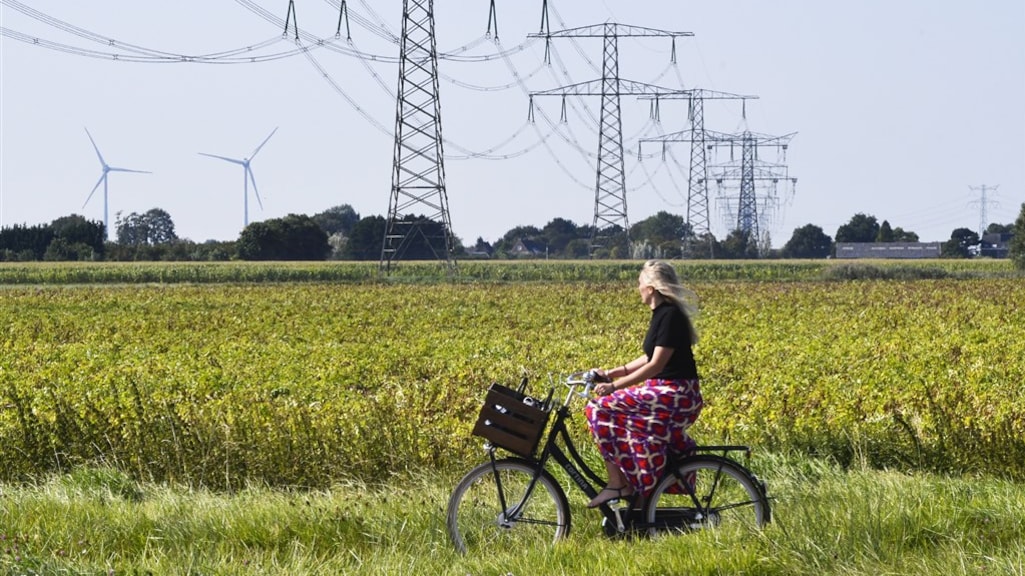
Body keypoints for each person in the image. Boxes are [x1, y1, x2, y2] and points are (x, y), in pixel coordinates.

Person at [584, 259, 703, 508]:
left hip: (676, 394)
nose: (637, 288)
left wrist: (615, 387)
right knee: (629, 430)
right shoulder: (662, 314)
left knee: (599, 408)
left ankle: (617, 484)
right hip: (664, 390)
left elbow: (656, 365)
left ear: (650, 287)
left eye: (639, 283)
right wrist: (613, 372)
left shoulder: (670, 316)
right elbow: (649, 356)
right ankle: (638, 493)